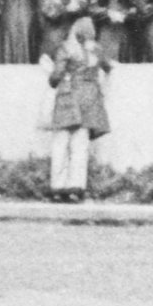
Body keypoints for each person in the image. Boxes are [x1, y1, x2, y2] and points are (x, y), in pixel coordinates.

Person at [44, 28, 109, 201]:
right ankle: (76, 188)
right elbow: (108, 67)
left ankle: (57, 188)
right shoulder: (97, 50)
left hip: (68, 98)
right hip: (89, 100)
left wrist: (49, 72)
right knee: (80, 146)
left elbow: (56, 77)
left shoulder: (66, 48)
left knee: (60, 143)